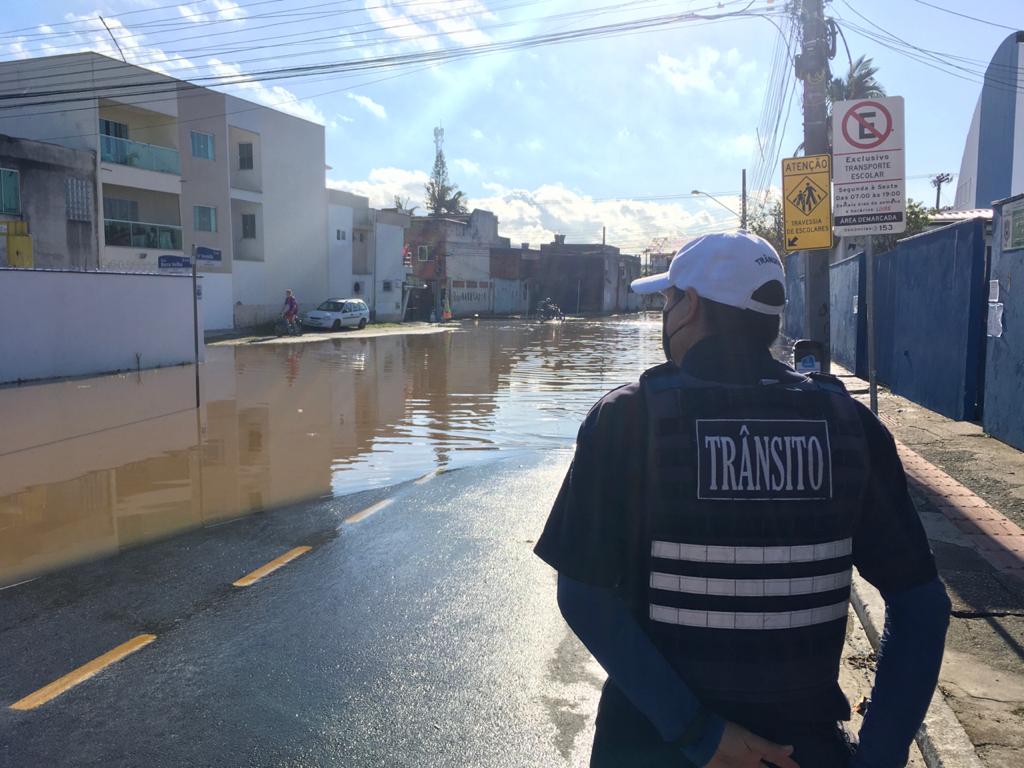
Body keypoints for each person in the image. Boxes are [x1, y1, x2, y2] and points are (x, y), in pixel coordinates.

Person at [534, 231, 950, 768]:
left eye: (668, 299)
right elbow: (922, 605)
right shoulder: (849, 424)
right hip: (803, 749)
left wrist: (698, 733)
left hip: (652, 746)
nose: (667, 314)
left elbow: (584, 595)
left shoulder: (629, 420)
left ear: (691, 306)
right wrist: (879, 755)